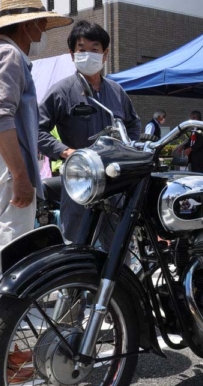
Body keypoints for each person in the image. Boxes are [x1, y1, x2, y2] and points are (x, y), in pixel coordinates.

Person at [0, 0, 72, 344]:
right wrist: (21, 176)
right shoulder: (10, 56)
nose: (42, 33)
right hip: (5, 178)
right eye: (41, 26)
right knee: (10, 269)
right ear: (28, 27)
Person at [38, 20, 141, 243]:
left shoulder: (116, 91)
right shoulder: (61, 91)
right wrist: (66, 152)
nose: (88, 55)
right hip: (79, 183)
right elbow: (36, 130)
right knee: (77, 245)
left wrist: (127, 149)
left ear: (105, 55)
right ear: (72, 54)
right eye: (81, 49)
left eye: (94, 50)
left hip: (114, 181)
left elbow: (133, 123)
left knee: (117, 246)